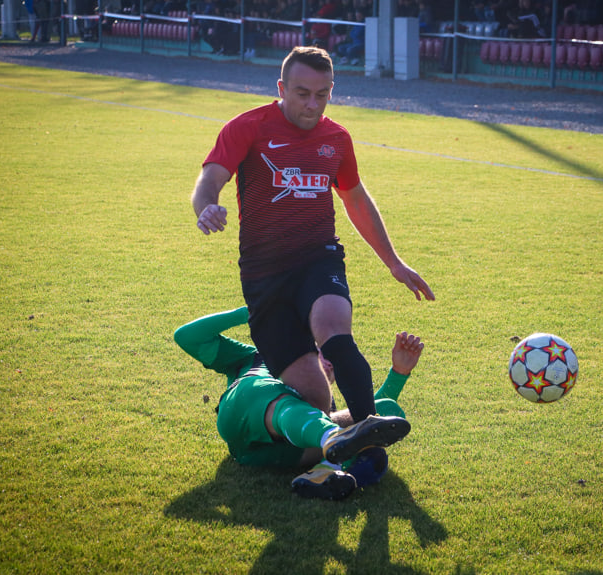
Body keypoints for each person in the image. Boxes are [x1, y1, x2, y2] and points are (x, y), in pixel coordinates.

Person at [190, 46, 434, 427]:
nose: (312, 104)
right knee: (317, 399)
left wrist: (394, 262)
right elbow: (210, 178)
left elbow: (354, 199)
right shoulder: (248, 127)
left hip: (318, 257)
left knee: (334, 326)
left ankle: (367, 429)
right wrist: (207, 206)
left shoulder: (336, 138)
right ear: (281, 88)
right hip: (264, 274)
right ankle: (338, 433)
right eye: (302, 93)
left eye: (322, 95)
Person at [173, 306, 425, 500]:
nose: (328, 361)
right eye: (321, 352)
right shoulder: (257, 358)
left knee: (387, 410)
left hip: (281, 452)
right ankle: (334, 451)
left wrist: (398, 373)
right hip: (242, 417)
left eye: (333, 364)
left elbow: (374, 418)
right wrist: (251, 312)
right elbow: (187, 336)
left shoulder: (325, 408)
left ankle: (329, 474)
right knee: (263, 391)